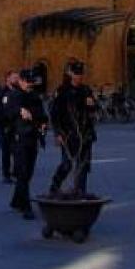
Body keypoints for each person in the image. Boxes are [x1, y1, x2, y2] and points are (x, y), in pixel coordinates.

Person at [49, 62, 98, 196]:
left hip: (85, 133)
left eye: (81, 74)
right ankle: (54, 186)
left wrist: (92, 105)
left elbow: (94, 109)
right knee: (67, 164)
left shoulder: (86, 90)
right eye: (76, 74)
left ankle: (80, 191)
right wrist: (58, 133)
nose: (79, 77)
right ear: (71, 74)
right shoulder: (62, 91)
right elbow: (54, 114)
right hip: (68, 134)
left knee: (83, 165)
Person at [8, 70, 47, 220]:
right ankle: (26, 206)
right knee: (23, 172)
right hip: (20, 138)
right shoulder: (14, 96)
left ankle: (16, 200)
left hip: (33, 137)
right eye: (28, 82)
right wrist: (20, 111)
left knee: (29, 172)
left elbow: (42, 115)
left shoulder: (34, 96)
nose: (30, 85)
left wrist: (43, 124)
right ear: (21, 81)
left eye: (32, 82)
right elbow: (8, 113)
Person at [0, 71, 21, 184]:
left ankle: (16, 172)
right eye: (14, 78)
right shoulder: (2, 93)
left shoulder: (19, 92)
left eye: (17, 78)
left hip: (17, 126)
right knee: (6, 151)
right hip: (5, 126)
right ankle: (6, 174)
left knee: (17, 150)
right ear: (8, 79)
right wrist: (4, 125)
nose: (16, 79)